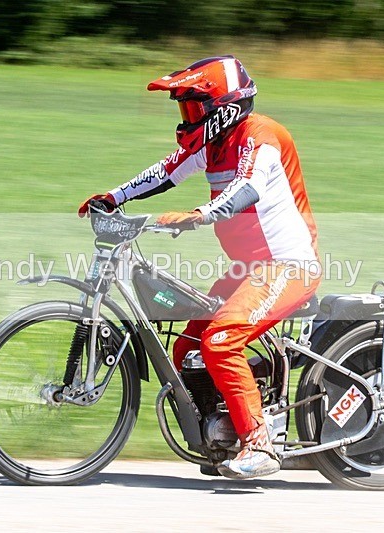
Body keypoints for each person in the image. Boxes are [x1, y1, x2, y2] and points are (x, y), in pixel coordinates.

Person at [78, 56, 320, 479]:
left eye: (193, 108)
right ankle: (221, 439)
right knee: (187, 350)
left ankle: (259, 444)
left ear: (224, 108)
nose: (187, 118)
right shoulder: (213, 143)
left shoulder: (260, 137)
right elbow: (165, 171)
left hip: (286, 266)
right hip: (248, 269)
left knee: (221, 341)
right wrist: (113, 197)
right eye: (184, 109)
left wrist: (197, 216)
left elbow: (247, 188)